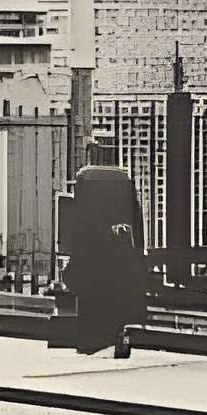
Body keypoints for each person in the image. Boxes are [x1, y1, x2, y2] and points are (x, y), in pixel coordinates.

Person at [56, 134, 148, 360]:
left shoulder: (84, 184)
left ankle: (90, 342)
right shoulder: (125, 184)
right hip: (120, 264)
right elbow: (137, 229)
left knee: (91, 309)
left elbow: (73, 230)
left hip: (91, 262)